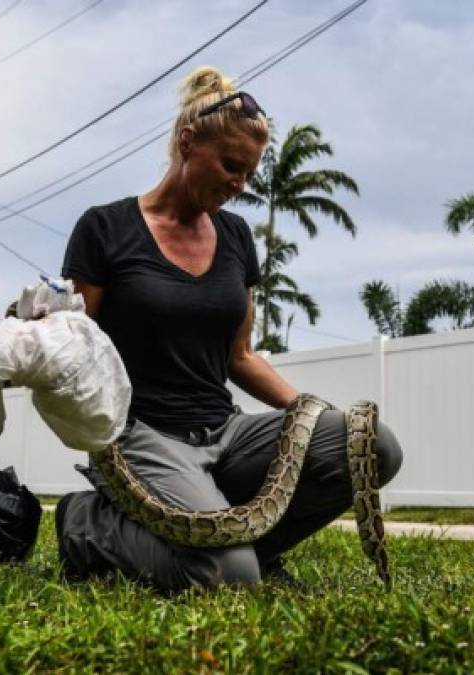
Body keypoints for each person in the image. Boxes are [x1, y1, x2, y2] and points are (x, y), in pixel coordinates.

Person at [57, 66, 403, 592]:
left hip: (226, 431)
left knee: (371, 445)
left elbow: (240, 356)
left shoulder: (237, 237)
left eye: (248, 174)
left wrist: (313, 418)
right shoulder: (105, 229)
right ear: (187, 142)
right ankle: (85, 524)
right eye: (230, 166)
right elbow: (74, 342)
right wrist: (34, 332)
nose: (239, 184)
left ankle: (242, 546)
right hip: (140, 436)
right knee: (227, 576)